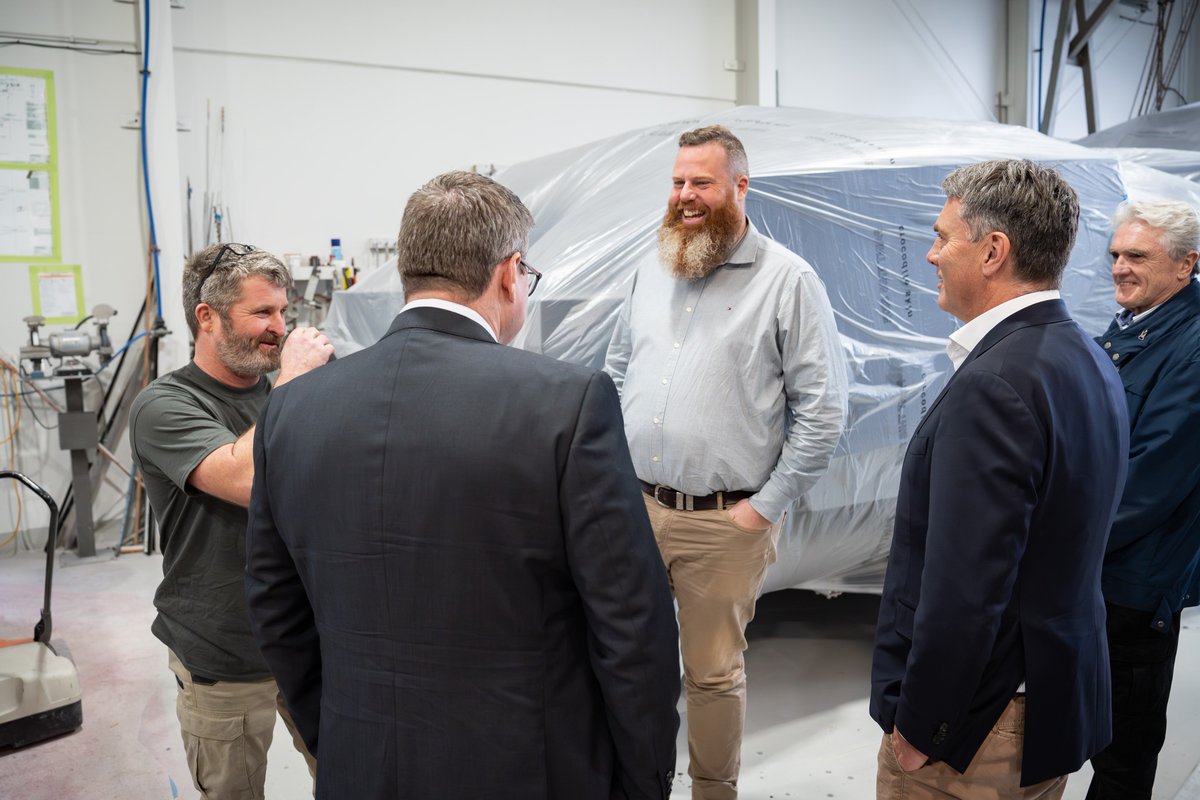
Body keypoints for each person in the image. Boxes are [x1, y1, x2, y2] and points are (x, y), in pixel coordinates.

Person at [244, 171, 681, 800]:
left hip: (360, 765)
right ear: (509, 273)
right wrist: (644, 781)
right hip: (529, 771)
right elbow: (630, 623)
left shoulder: (293, 409)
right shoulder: (566, 402)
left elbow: (275, 608)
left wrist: (339, 736)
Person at [869, 159, 1130, 799]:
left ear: (992, 251)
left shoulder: (994, 385)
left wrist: (922, 727)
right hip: (1049, 703)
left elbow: (966, 588)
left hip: (975, 734)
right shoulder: (1087, 358)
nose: (930, 254)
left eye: (942, 237)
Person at [604, 124, 848, 799]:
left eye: (701, 182)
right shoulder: (651, 267)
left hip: (724, 523)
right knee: (629, 662)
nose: (685, 195)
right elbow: (618, 369)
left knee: (710, 675)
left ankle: (715, 792)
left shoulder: (788, 281)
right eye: (678, 181)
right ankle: (639, 782)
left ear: (740, 186)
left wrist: (762, 508)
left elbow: (823, 411)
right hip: (638, 509)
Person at [129, 243, 333, 799]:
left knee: (347, 775)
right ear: (207, 316)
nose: (280, 328)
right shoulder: (165, 405)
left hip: (306, 638)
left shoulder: (282, 394)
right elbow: (246, 479)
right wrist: (294, 380)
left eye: (283, 313)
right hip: (222, 649)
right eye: (262, 313)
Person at [1087, 200, 1200, 800]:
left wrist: (1062, 544)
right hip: (1102, 568)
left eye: (1137, 256)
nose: (1120, 268)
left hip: (1135, 579)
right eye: (1115, 255)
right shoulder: (1135, 324)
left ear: (1186, 266)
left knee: (1124, 754)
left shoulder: (1193, 345)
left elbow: (1149, 481)